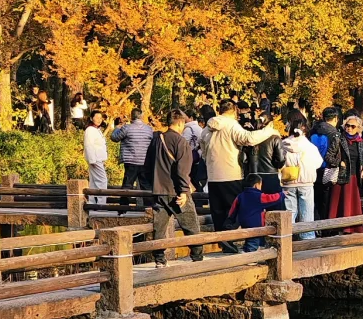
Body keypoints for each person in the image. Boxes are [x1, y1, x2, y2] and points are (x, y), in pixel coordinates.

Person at [203, 100, 280, 231]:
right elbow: (248, 138)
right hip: (230, 175)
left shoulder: (206, 129)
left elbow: (204, 152)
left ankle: (221, 239)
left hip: (212, 176)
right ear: (234, 111)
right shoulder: (231, 125)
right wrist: (269, 131)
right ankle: (233, 238)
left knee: (218, 213)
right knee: (234, 211)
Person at [150, 112, 203, 256]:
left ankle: (159, 259)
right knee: (191, 225)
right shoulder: (180, 142)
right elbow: (182, 170)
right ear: (180, 123)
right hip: (176, 191)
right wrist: (184, 191)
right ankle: (197, 256)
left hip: (158, 190)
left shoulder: (156, 140)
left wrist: (153, 184)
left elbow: (147, 165)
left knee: (159, 228)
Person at [278, 115, 324, 224]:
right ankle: (307, 234)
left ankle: (288, 233)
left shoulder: (283, 145)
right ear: (304, 129)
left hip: (288, 182)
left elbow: (278, 162)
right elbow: (318, 163)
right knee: (307, 215)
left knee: (289, 215)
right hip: (306, 182)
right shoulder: (310, 147)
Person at [329, 114, 363, 218]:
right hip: (341, 176)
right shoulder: (339, 139)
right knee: (339, 205)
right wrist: (338, 162)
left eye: (353, 126)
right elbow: (328, 156)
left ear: (358, 128)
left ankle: (352, 226)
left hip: (355, 176)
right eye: (347, 125)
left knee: (353, 205)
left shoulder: (360, 142)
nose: (349, 128)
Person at [113, 102, 155, 189]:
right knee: (146, 185)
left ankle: (125, 198)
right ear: (141, 116)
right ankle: (148, 198)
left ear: (131, 116)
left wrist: (117, 128)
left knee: (127, 185)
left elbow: (115, 138)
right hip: (144, 160)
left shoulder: (127, 128)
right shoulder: (149, 129)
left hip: (130, 161)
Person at [309, 107, 341, 219]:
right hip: (328, 169)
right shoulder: (334, 133)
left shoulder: (313, 131)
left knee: (315, 199)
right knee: (327, 200)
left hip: (313, 168)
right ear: (336, 118)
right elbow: (334, 153)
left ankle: (315, 221)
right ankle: (324, 224)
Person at [83, 110, 110, 191]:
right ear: (91, 118)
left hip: (98, 159)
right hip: (95, 159)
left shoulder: (97, 129)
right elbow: (88, 145)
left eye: (100, 118)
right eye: (97, 118)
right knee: (102, 180)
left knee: (95, 180)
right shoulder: (90, 130)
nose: (99, 120)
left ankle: (93, 198)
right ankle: (101, 199)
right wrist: (92, 160)